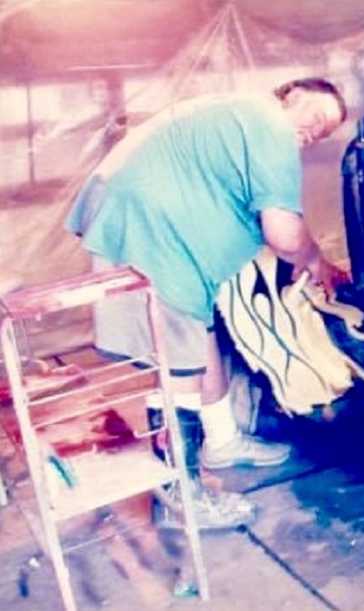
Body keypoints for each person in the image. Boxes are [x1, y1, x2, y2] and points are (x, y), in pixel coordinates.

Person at [65, 77, 348, 529]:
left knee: (200, 341)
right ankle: (182, 498)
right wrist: (316, 261)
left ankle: (223, 441)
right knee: (177, 370)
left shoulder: (236, 116)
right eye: (316, 116)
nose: (316, 131)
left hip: (147, 229)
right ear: (289, 96)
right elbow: (283, 231)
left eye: (324, 132)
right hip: (151, 238)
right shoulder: (269, 122)